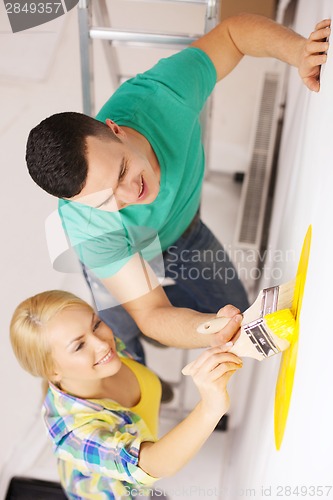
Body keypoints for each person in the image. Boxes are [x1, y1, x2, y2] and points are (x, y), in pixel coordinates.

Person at [25, 14, 331, 364]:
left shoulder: (161, 96)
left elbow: (232, 36)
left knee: (233, 304)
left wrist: (298, 51)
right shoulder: (89, 227)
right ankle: (139, 363)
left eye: (123, 170)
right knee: (119, 339)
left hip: (183, 230)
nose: (129, 195)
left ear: (116, 129)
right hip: (118, 249)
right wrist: (191, 327)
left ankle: (166, 325)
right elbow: (151, 312)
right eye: (106, 199)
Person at [10, 290, 243, 499]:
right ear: (52, 370)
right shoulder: (73, 434)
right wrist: (210, 408)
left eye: (95, 324)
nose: (102, 344)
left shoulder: (107, 352)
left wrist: (213, 332)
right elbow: (150, 465)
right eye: (79, 346)